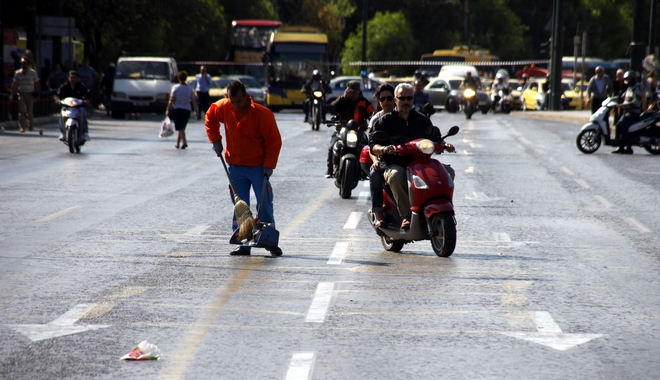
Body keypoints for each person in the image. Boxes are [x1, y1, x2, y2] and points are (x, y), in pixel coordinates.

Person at [205, 80, 282, 256]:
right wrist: (215, 140)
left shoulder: (262, 114)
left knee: (264, 204)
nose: (236, 106)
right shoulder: (224, 107)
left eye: (239, 101)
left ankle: (270, 241)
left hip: (258, 167)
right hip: (235, 167)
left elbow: (274, 141)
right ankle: (244, 244)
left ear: (246, 97)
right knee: (240, 205)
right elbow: (210, 117)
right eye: (232, 102)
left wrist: (269, 166)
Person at [369, 83, 455, 230]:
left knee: (448, 172)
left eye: (409, 98)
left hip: (420, 163)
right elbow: (373, 145)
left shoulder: (422, 119)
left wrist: (444, 144)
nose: (406, 101)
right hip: (394, 163)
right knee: (396, 175)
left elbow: (435, 137)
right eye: (402, 98)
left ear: (413, 99)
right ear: (395, 100)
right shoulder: (385, 121)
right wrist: (384, 149)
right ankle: (405, 216)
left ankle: (433, 206)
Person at [326, 80, 375, 177]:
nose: (352, 94)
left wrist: (373, 121)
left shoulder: (364, 103)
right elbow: (332, 107)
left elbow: (372, 113)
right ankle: (330, 169)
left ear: (358, 91)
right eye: (350, 91)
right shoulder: (342, 100)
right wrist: (343, 98)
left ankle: (365, 171)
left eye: (354, 92)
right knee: (332, 145)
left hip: (359, 131)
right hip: (342, 130)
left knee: (367, 148)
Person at [367, 83, 396, 227]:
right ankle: (378, 213)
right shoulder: (375, 120)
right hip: (383, 159)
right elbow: (371, 146)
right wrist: (375, 160)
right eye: (382, 99)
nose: (386, 102)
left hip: (402, 158)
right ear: (378, 101)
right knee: (375, 174)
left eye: (389, 98)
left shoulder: (402, 117)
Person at [612, 70, 643, 154]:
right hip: (627, 112)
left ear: (633, 79)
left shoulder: (637, 88)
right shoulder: (629, 88)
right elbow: (621, 98)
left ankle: (628, 147)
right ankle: (621, 146)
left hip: (633, 112)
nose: (628, 81)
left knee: (623, 127)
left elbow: (636, 103)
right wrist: (611, 100)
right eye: (627, 79)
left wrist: (623, 105)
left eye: (629, 79)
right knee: (618, 126)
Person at [54, 70, 90, 141]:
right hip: (67, 107)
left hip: (79, 107)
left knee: (83, 113)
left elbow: (88, 94)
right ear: (68, 78)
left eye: (74, 78)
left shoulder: (81, 87)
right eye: (71, 77)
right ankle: (63, 133)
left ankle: (85, 133)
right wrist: (58, 100)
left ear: (78, 78)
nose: (73, 79)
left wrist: (87, 100)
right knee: (62, 114)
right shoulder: (65, 86)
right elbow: (57, 95)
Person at [166, 71, 199, 149]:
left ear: (178, 78)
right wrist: (195, 110)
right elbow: (193, 100)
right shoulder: (189, 89)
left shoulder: (176, 87)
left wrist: (168, 109)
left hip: (178, 109)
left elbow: (172, 99)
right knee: (182, 128)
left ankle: (184, 142)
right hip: (187, 110)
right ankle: (177, 143)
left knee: (179, 127)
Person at [10, 57, 41, 133]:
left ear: (28, 64)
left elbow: (37, 83)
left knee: (29, 112)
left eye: (25, 63)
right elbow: (14, 84)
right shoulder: (18, 73)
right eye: (22, 63)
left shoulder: (33, 73)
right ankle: (22, 127)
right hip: (21, 93)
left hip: (30, 93)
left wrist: (38, 93)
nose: (23, 65)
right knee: (22, 111)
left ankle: (30, 125)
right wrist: (12, 94)